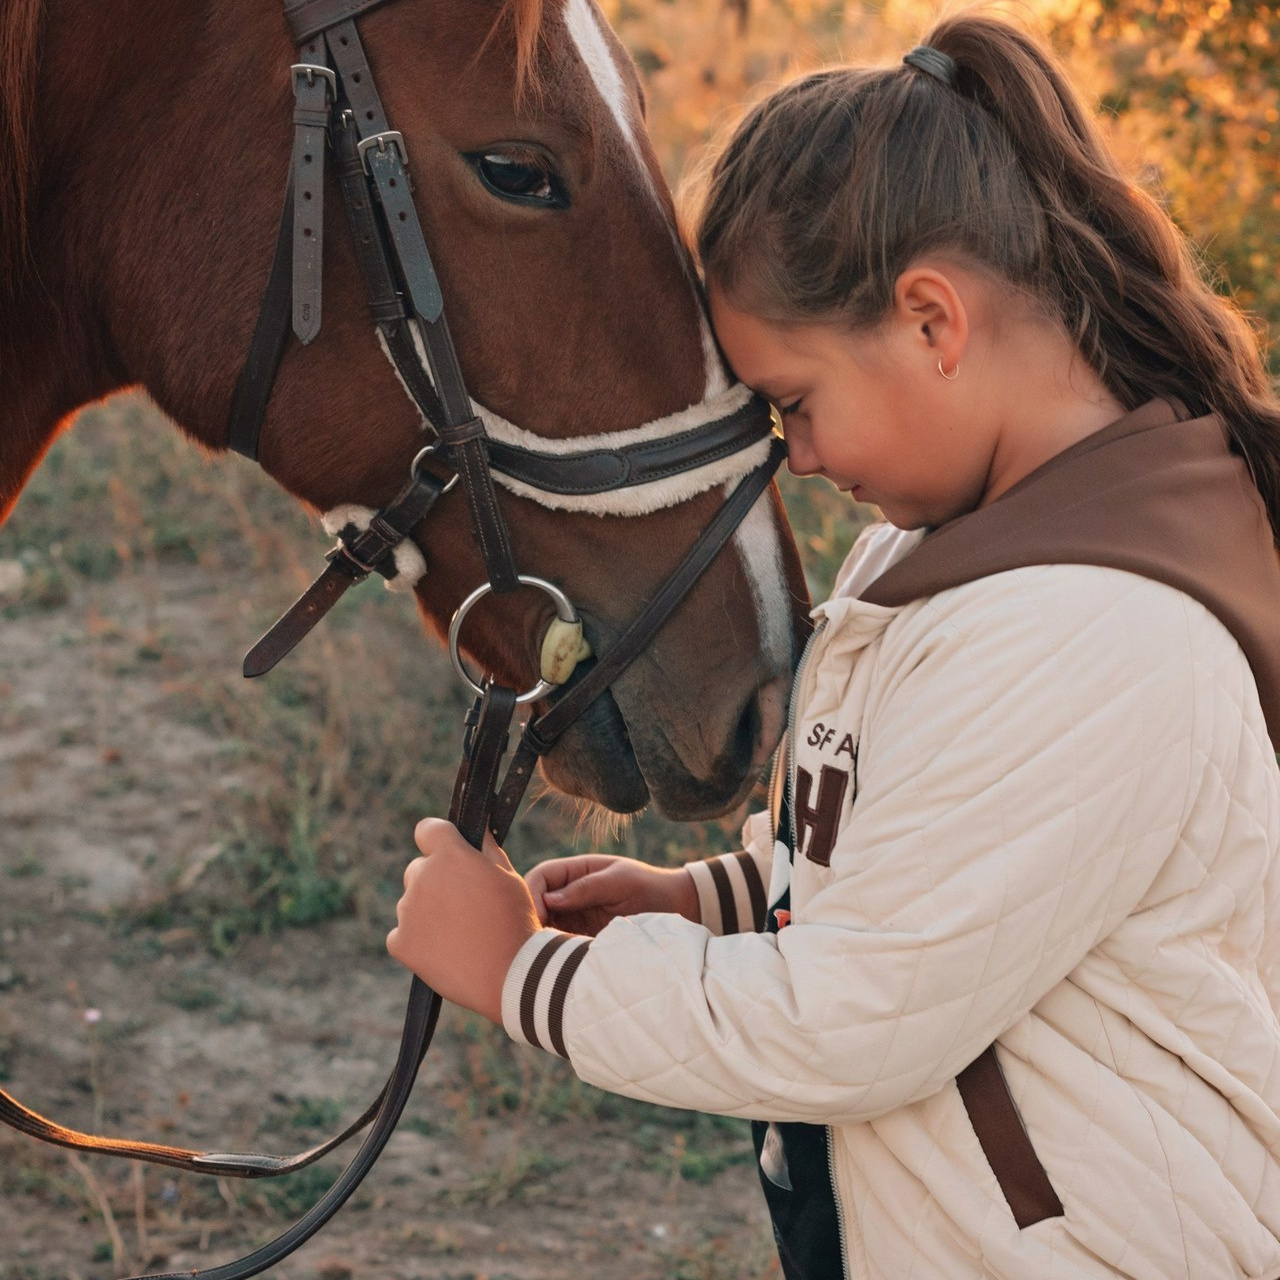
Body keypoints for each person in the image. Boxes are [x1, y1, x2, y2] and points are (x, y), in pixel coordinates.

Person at [387, 13, 1280, 1278]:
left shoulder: (1093, 632)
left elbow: (855, 1019)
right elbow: (912, 843)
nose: (793, 457)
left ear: (931, 322)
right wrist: (713, 897)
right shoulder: (942, 555)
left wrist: (523, 974)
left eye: (795, 403)